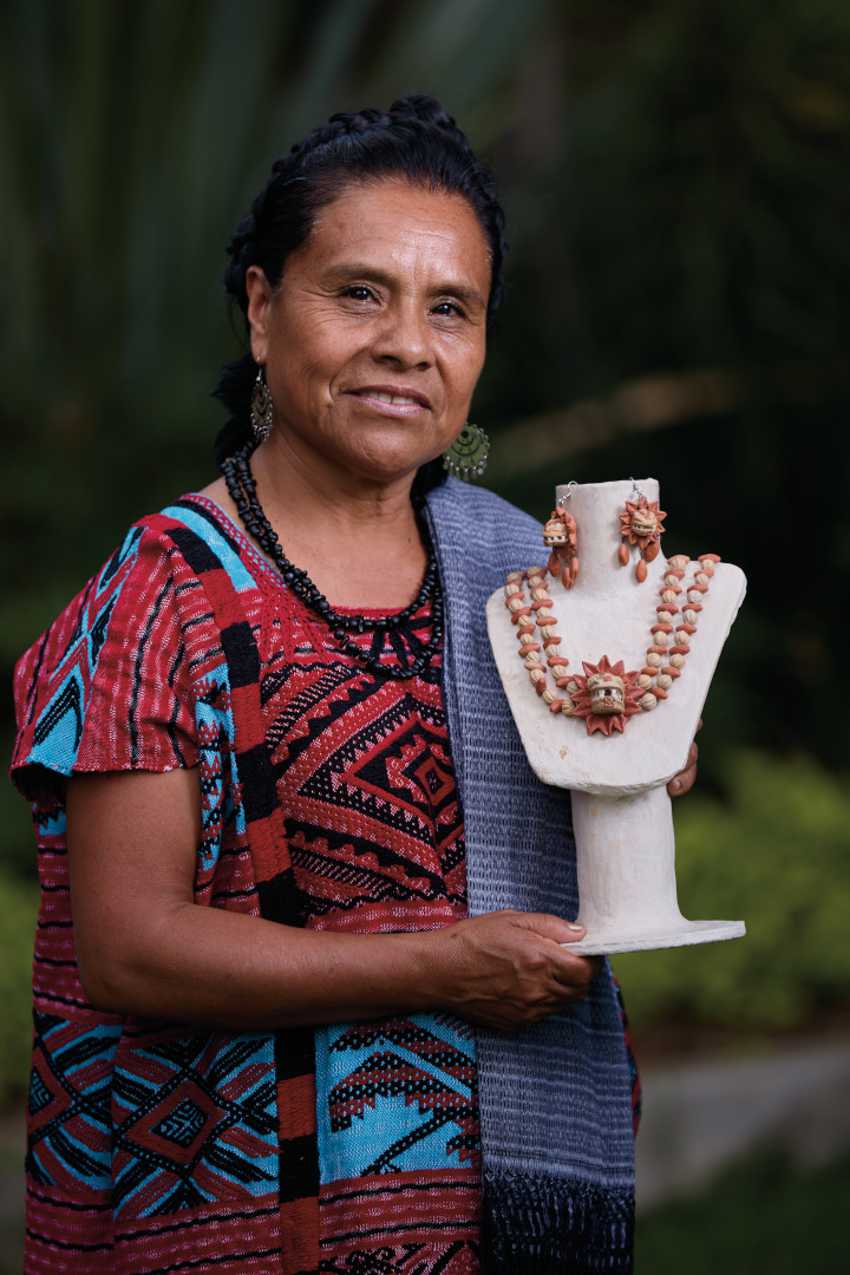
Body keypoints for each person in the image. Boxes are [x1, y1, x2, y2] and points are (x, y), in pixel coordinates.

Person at [11, 96, 698, 1275]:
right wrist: (444, 965)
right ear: (264, 307)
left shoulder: (520, 581)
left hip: (502, 1227)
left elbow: (570, 855)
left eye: (451, 309)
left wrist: (635, 758)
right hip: (245, 1225)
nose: (407, 344)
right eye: (360, 292)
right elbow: (132, 950)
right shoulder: (162, 595)